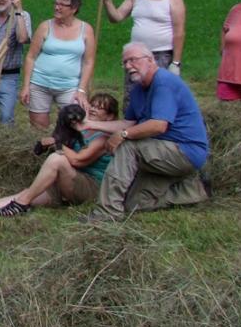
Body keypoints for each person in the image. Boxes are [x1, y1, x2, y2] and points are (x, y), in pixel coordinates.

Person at [84, 42, 210, 221]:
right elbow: (128, 123)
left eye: (133, 60)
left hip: (184, 151)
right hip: (159, 150)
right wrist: (89, 124)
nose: (128, 66)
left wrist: (123, 135)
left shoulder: (164, 83)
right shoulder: (138, 90)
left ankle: (107, 214)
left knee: (128, 147)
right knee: (133, 204)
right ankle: (191, 191)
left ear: (150, 60)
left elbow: (159, 125)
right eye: (125, 62)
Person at [0, 95, 118, 216]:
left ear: (110, 116)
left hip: (91, 188)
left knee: (57, 159)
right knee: (31, 192)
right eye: (92, 105)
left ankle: (21, 204)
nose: (92, 109)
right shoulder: (83, 130)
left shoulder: (104, 138)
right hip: (70, 180)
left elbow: (77, 160)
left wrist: (57, 142)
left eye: (99, 108)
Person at [96, 0, 186, 103]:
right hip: (135, 57)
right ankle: (131, 126)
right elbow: (116, 17)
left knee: (160, 99)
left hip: (161, 56)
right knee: (133, 98)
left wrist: (176, 63)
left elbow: (179, 31)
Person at [21, 0, 97, 130]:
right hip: (40, 84)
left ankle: (67, 151)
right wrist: (26, 86)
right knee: (39, 127)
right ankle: (45, 149)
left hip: (69, 86)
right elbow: (31, 56)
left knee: (73, 124)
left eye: (62, 5)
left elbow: (89, 62)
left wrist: (81, 90)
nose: (57, 7)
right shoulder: (45, 26)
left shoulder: (86, 30)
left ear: (74, 9)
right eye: (56, 3)